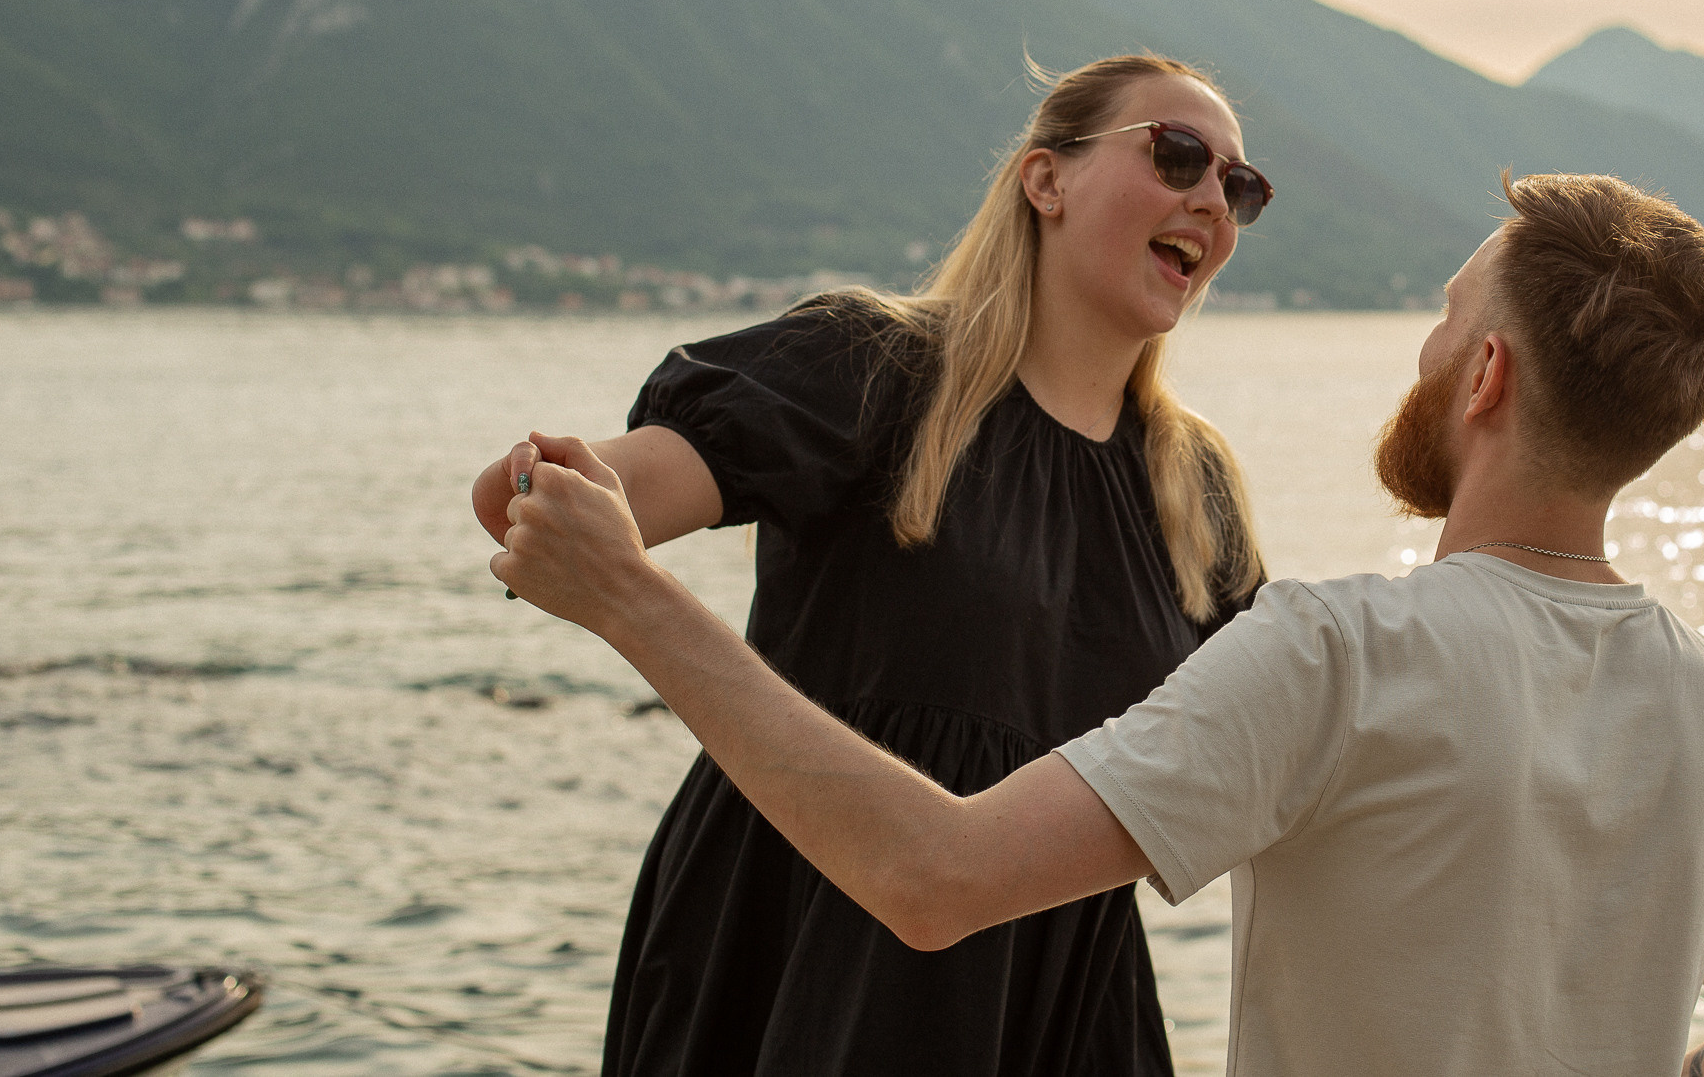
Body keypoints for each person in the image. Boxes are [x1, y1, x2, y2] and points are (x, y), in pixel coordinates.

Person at [491, 173, 1704, 1077]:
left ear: (1486, 374)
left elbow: (934, 876)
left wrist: (631, 596)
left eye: (1447, 322)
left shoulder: (1337, 656)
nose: (1427, 350)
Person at [469, 54, 1274, 1076]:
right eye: (1178, 154)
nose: (1213, 200)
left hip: (1059, 998)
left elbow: (1280, 750)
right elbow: (552, 499)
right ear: (1046, 179)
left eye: (1240, 186)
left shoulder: (1194, 488)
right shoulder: (875, 366)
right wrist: (551, 490)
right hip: (799, 944)